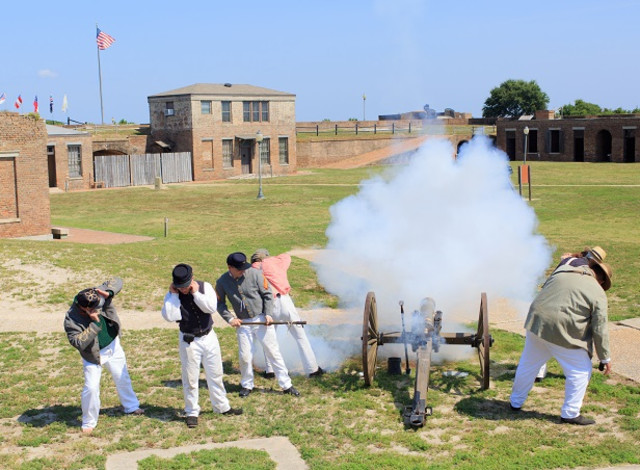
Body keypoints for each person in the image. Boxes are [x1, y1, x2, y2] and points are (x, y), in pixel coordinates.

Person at [510, 248, 613, 425]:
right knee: (581, 371)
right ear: (602, 279)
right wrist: (605, 358)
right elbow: (600, 327)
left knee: (528, 365)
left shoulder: (563, 269)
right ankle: (570, 413)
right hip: (562, 329)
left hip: (537, 322)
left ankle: (515, 402)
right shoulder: (597, 292)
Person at [161, 263, 242, 428]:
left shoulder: (205, 287)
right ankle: (191, 411)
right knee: (190, 378)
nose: (183, 290)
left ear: (192, 279)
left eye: (185, 286)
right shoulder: (172, 295)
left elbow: (211, 307)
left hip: (208, 337)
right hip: (189, 340)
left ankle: (221, 406)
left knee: (215, 373)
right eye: (180, 287)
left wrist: (196, 292)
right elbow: (170, 316)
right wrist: (174, 295)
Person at [63, 278, 143, 434]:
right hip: (93, 356)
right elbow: (77, 342)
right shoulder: (71, 318)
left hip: (113, 345)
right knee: (91, 388)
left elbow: (117, 280)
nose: (99, 308)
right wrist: (94, 324)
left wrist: (109, 292)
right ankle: (89, 421)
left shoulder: (96, 294)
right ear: (83, 308)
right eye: (94, 309)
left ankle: (131, 406)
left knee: (122, 377)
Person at [215, 252, 300, 397]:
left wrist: (268, 314)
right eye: (239, 269)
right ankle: (247, 384)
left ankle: (286, 384)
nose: (243, 271)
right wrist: (230, 319)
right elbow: (219, 303)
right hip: (243, 324)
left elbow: (267, 294)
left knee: (273, 352)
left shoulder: (255, 274)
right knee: (245, 356)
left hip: (261, 319)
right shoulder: (222, 282)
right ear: (230, 267)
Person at [534, 246, 607, 382]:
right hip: (562, 299)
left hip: (549, 295)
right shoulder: (584, 267)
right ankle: (574, 370)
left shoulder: (570, 259)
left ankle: (538, 371)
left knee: (541, 336)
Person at [251, 249, 324, 378]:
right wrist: (271, 259)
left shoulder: (251, 269)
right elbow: (286, 256)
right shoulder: (275, 263)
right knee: (300, 336)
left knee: (268, 339)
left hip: (266, 305)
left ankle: (271, 371)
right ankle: (312, 369)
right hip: (284, 301)